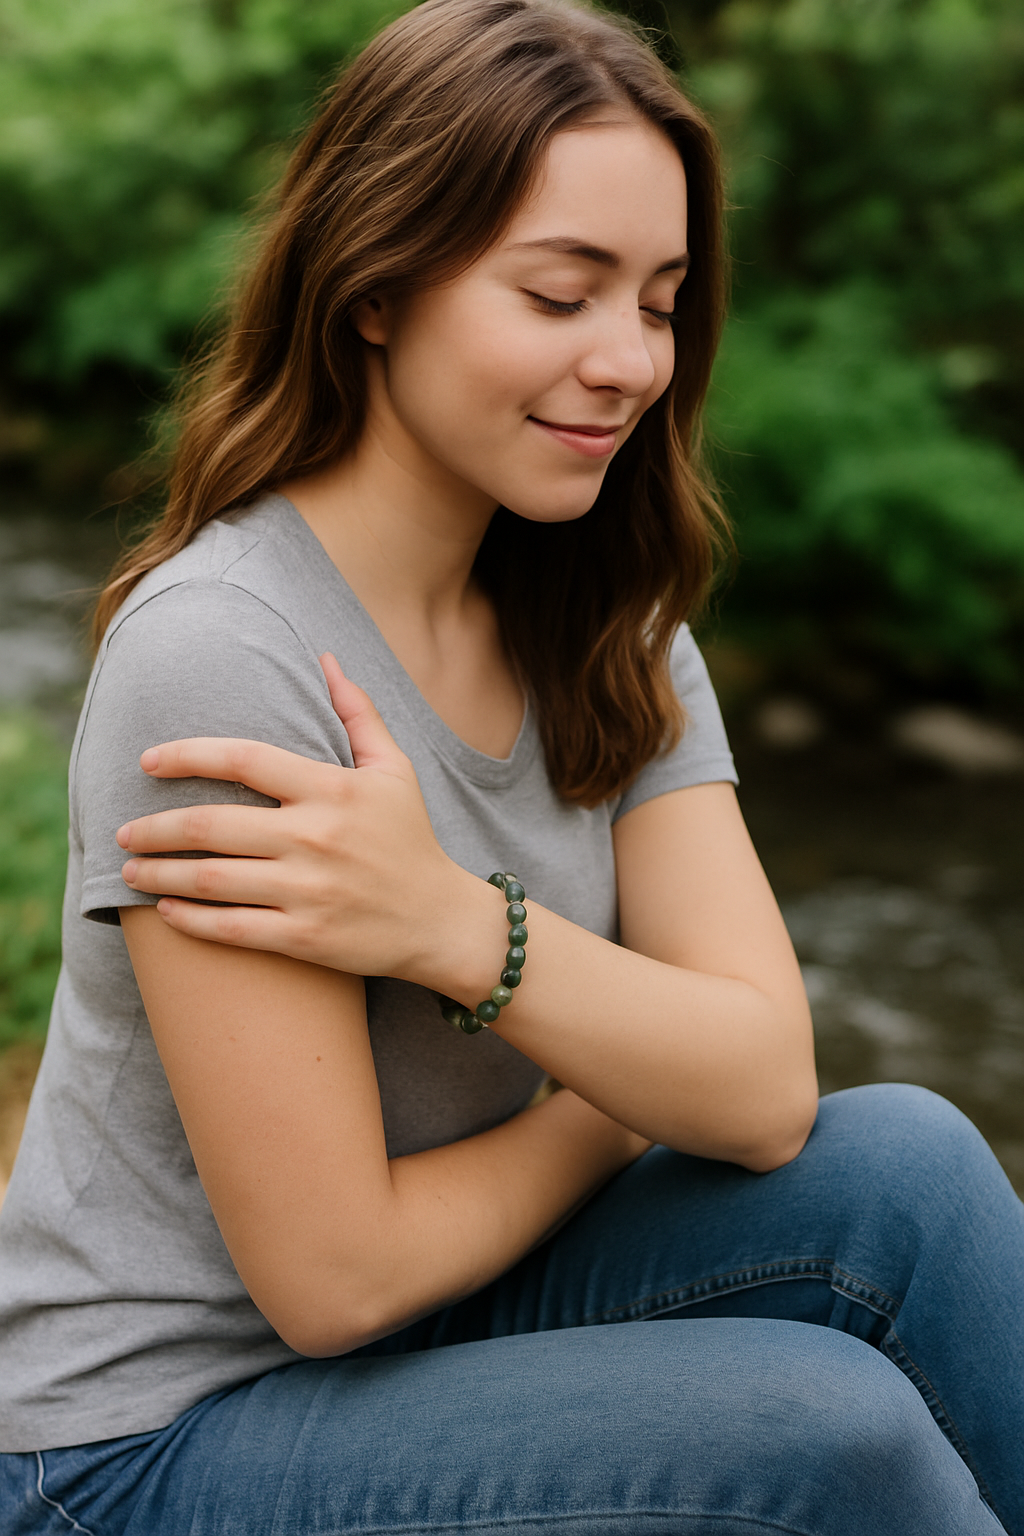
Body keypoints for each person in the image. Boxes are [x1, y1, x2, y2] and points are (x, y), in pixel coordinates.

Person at [1, 0, 1021, 1530]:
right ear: (375, 287)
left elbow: (760, 1090)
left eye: (662, 304)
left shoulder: (610, 619)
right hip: (149, 1438)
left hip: (443, 1317)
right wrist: (614, 1094)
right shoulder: (225, 652)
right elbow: (335, 1279)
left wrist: (447, 923)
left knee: (920, 1178)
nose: (628, 363)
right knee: (828, 1436)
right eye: (561, 294)